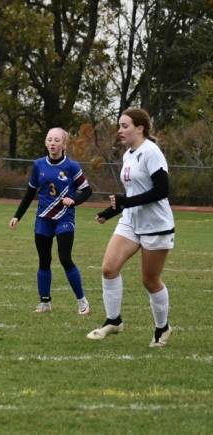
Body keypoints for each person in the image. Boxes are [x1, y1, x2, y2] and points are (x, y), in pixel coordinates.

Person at [87, 108, 175, 347]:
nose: (120, 130)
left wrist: (126, 202)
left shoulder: (152, 152)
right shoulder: (128, 155)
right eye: (119, 125)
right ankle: (113, 320)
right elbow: (132, 195)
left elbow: (161, 191)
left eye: (124, 126)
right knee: (108, 269)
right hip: (131, 221)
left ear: (140, 128)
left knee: (150, 280)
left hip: (155, 225)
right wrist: (111, 212)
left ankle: (162, 328)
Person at [9, 128, 93, 315]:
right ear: (46, 143)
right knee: (44, 260)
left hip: (64, 218)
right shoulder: (38, 165)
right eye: (49, 140)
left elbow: (87, 190)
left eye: (57, 140)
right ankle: (45, 302)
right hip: (43, 219)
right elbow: (30, 193)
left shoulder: (72, 167)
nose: (53, 143)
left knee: (65, 258)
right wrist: (17, 215)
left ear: (64, 144)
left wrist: (75, 200)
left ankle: (82, 302)